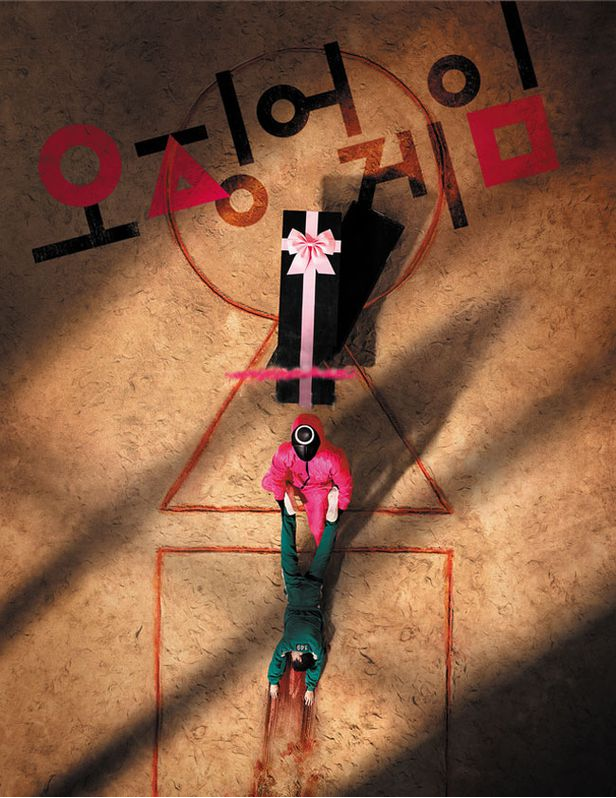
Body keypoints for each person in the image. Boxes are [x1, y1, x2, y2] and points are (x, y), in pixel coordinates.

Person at [267, 487, 340, 705]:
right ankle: (289, 515)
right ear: (297, 656)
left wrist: (310, 687)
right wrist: (273, 682)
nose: (290, 656)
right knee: (288, 554)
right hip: (294, 594)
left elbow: (318, 663)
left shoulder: (316, 647)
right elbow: (276, 660)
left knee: (323, 557)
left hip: (313, 595)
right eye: (293, 658)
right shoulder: (287, 644)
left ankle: (332, 520)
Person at [262, 413, 352, 545]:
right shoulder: (284, 453)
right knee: (267, 482)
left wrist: (341, 508)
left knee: (318, 530)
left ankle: (326, 540)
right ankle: (288, 488)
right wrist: (281, 499)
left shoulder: (334, 458)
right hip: (294, 479)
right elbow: (276, 477)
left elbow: (345, 486)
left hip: (317, 488)